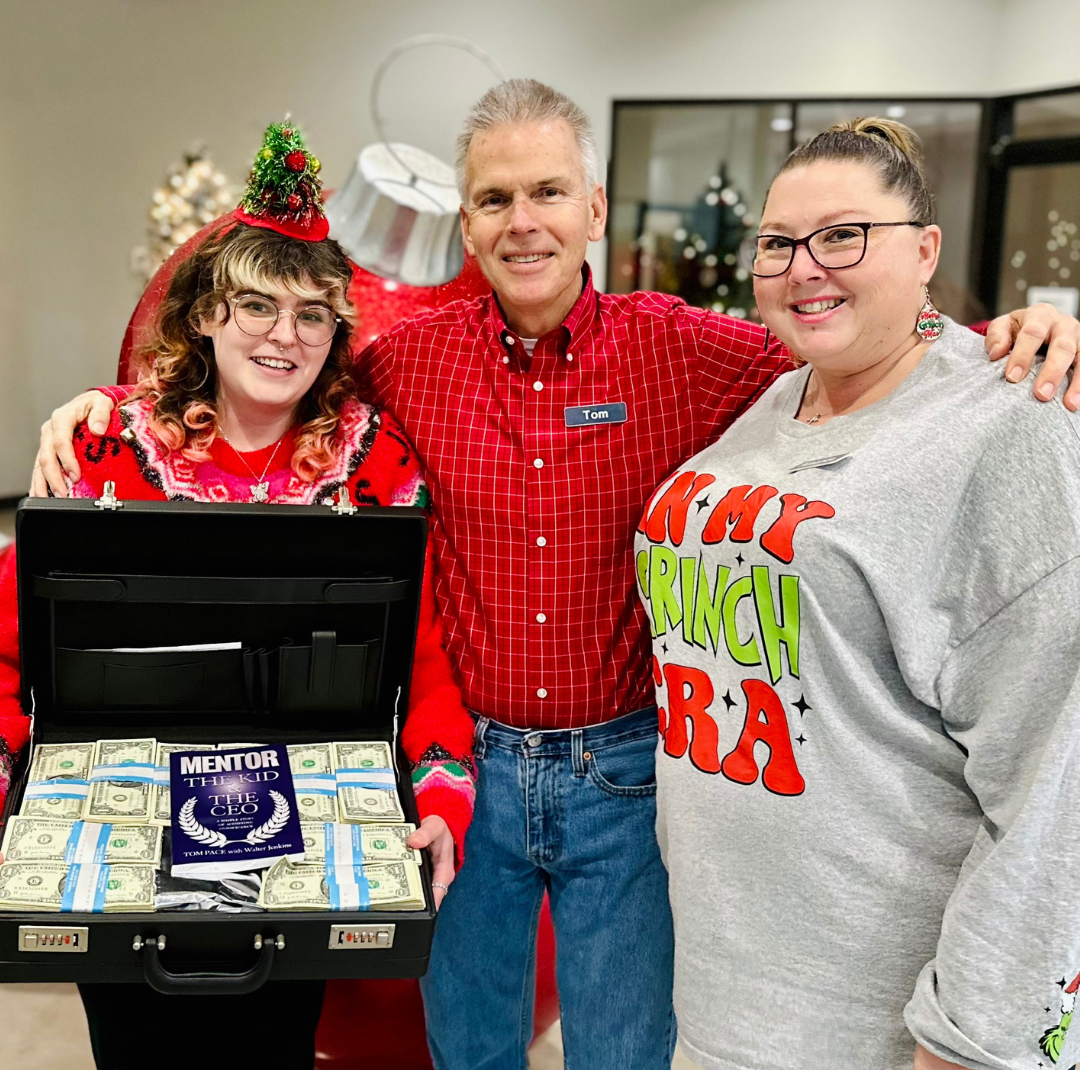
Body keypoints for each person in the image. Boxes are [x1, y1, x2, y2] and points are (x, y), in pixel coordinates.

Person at [32, 83, 1080, 1070]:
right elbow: (267, 374)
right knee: (471, 1045)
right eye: (494, 198)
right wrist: (92, 413)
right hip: (471, 770)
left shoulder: (691, 351)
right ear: (468, 222)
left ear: (591, 207)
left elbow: (862, 348)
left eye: (546, 193)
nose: (522, 220)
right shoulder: (410, 361)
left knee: (622, 1048)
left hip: (624, 773)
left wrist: (1005, 345)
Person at [0, 123, 476, 1070]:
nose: (283, 335)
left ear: (337, 329)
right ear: (206, 315)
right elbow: (13, 646)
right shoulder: (102, 448)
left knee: (271, 1051)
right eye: (256, 306)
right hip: (117, 829)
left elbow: (422, 659)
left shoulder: (375, 466)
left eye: (311, 315)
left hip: (298, 833)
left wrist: (439, 796)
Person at [635, 117, 1080, 1070]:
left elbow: (1057, 782)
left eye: (843, 235)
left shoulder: (1013, 425)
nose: (806, 267)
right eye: (779, 243)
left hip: (881, 1024)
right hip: (725, 991)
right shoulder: (780, 395)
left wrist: (974, 1039)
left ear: (925, 250)